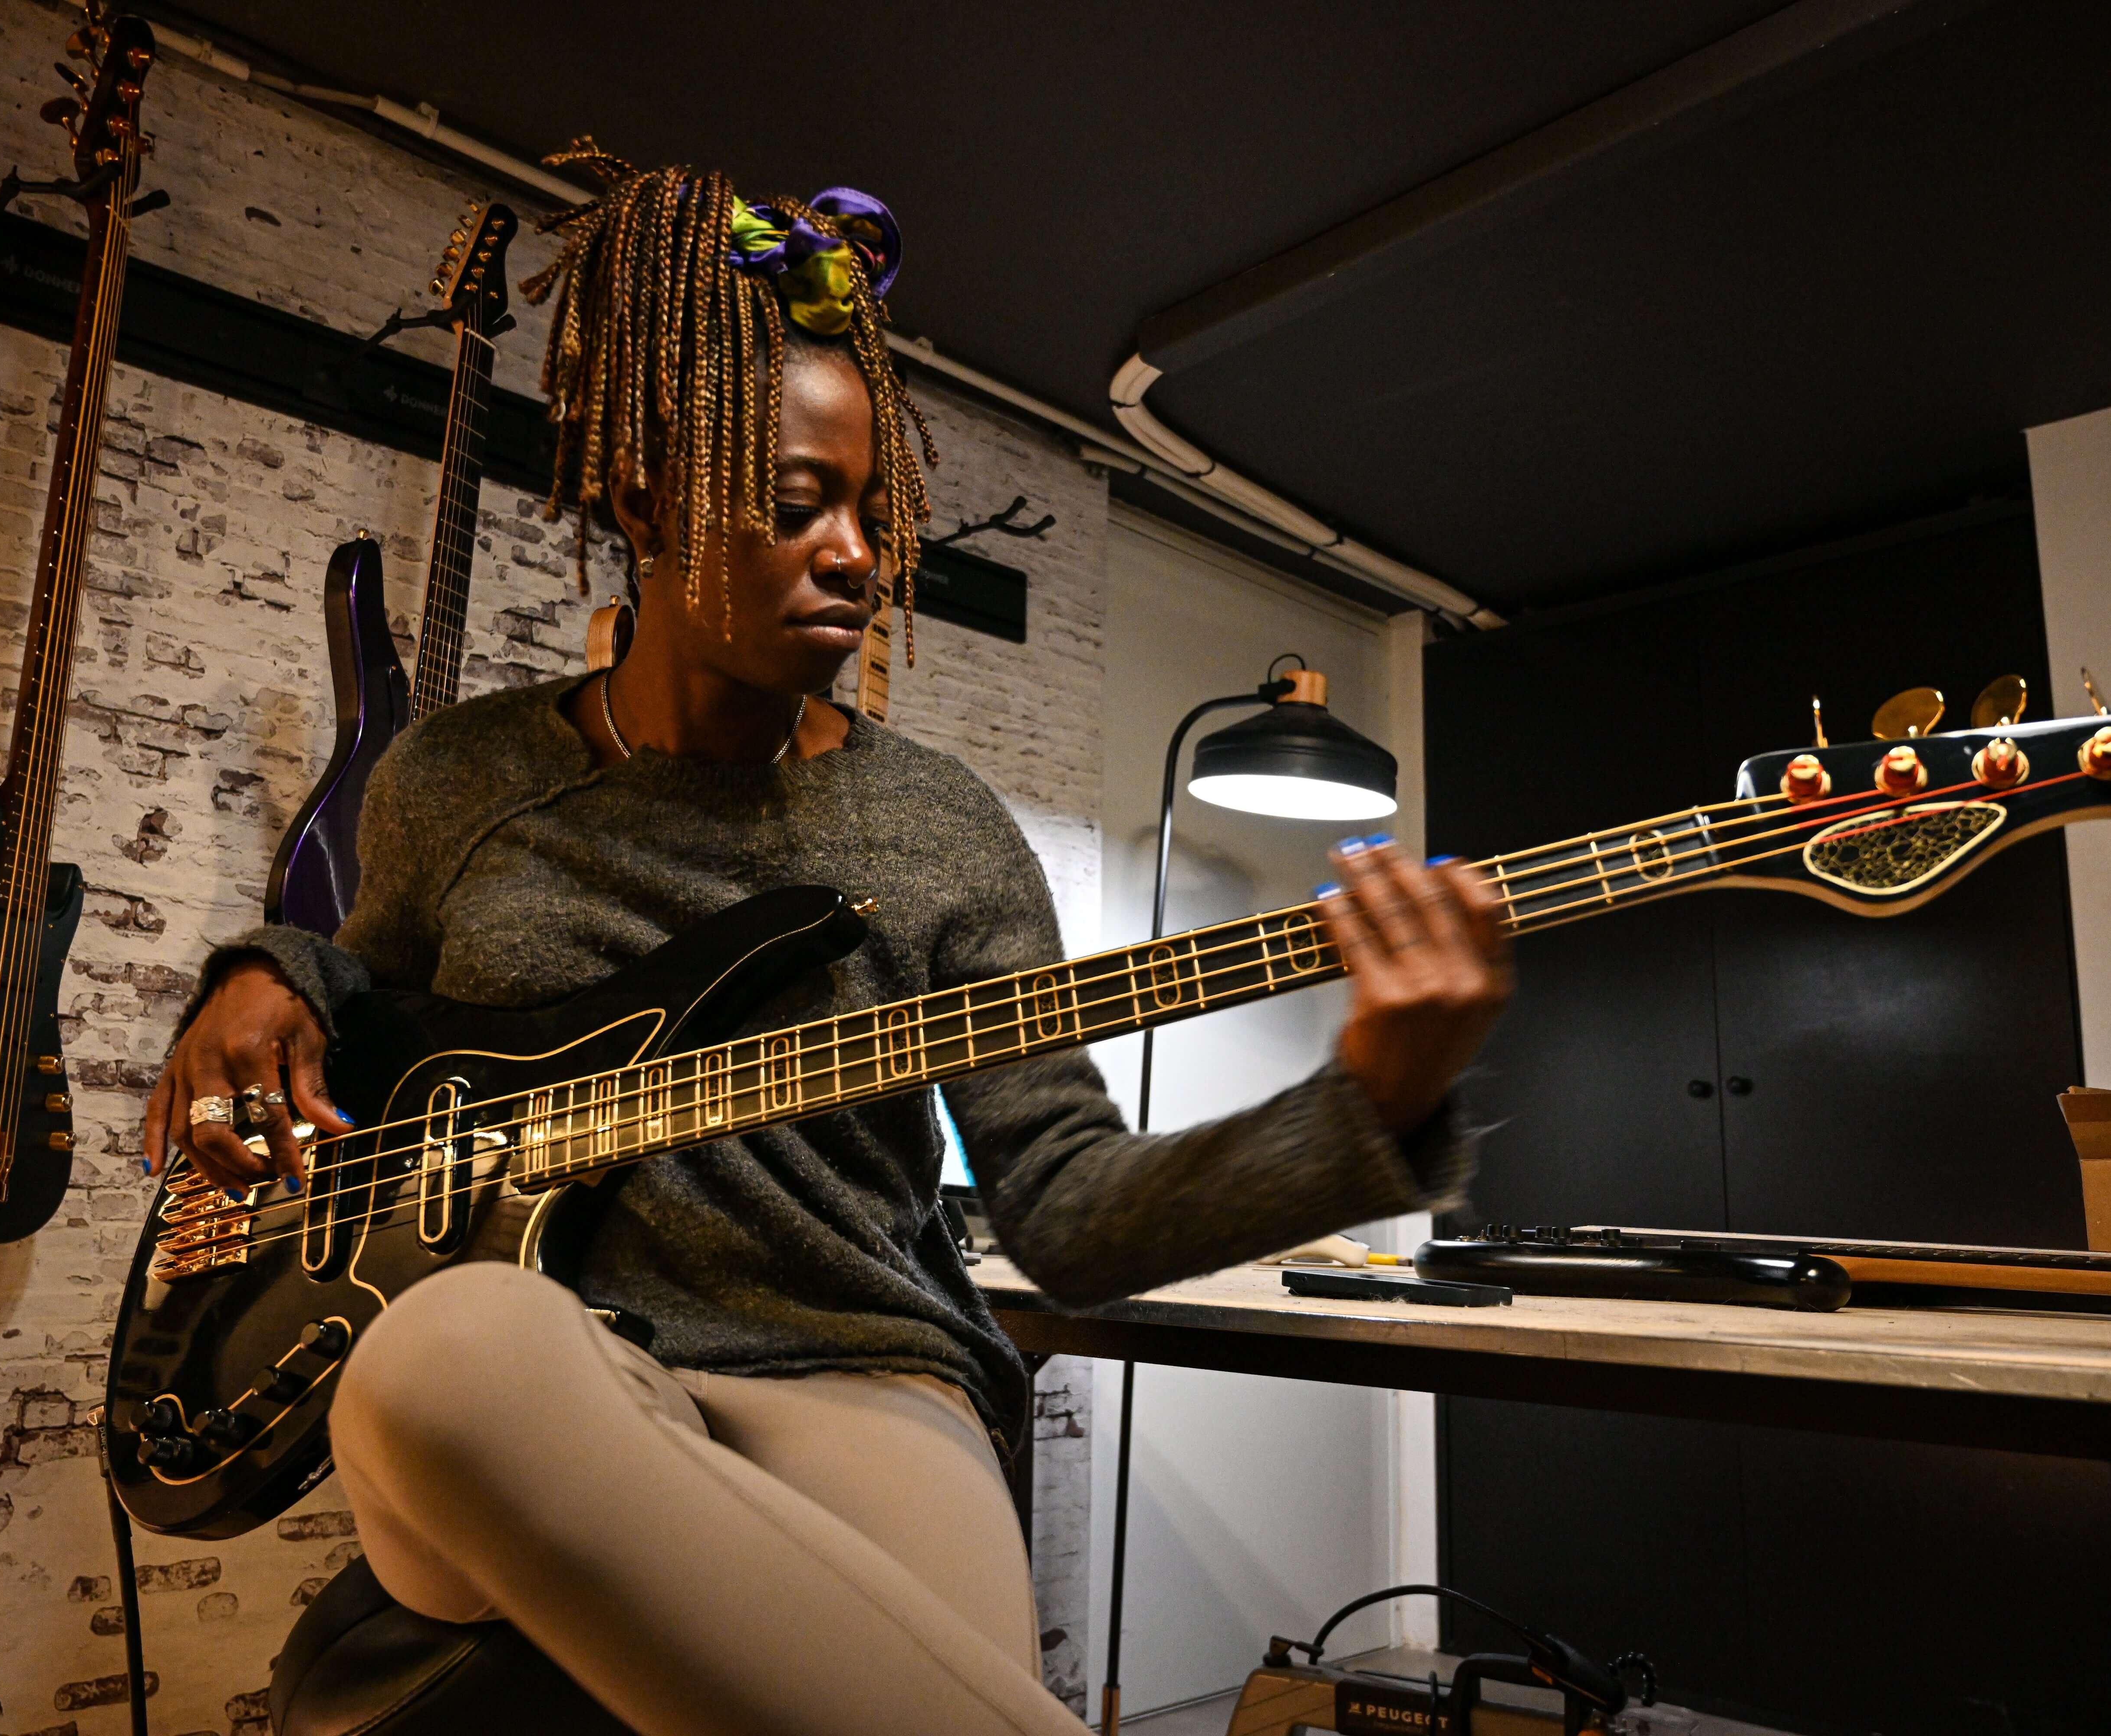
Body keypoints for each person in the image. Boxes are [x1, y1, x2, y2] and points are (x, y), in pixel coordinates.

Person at [145, 149, 1512, 1736]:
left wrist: (1376, 1109)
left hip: (859, 1381)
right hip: (540, 1381)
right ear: (648, 495)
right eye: (801, 506)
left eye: (876, 510)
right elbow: (367, 986)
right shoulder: (463, 777)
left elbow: (1065, 1211)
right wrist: (262, 972)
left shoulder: (942, 829)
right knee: (445, 1358)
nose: (859, 556)